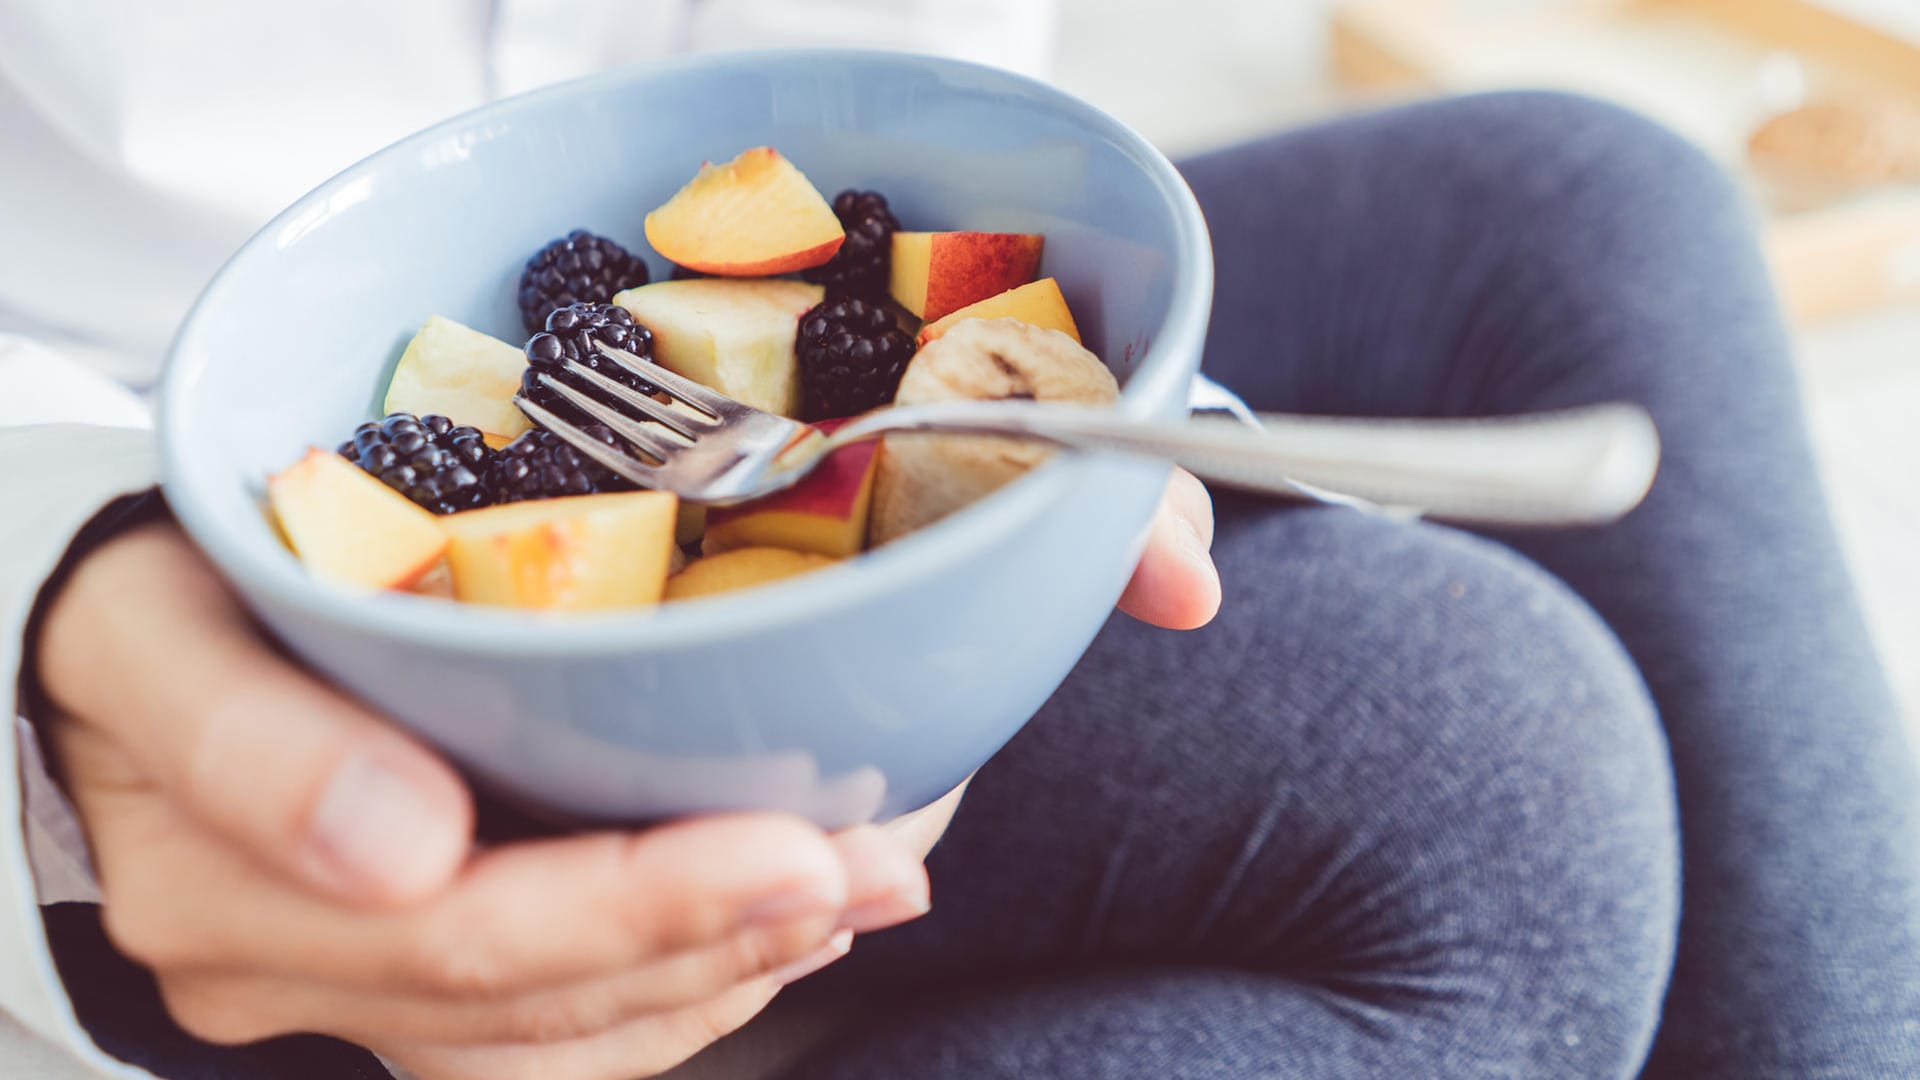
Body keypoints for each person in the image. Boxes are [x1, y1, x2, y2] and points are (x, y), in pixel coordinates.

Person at [5, 3, 1917, 1079]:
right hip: (158, 618)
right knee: (1486, 752)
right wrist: (46, 613)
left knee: (1590, 205)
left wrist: (1064, 394)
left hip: (719, 339)